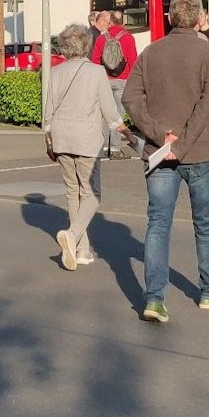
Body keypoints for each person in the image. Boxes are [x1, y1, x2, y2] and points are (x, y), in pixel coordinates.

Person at [122, 0, 209, 323]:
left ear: (169, 18)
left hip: (160, 154)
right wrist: (181, 144)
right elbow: (206, 106)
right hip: (202, 152)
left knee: (158, 225)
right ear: (199, 19)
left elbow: (130, 99)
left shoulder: (150, 53)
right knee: (206, 223)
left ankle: (154, 299)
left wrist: (159, 135)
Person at [42, 23, 124, 270]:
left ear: (64, 47)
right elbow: (110, 112)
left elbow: (48, 111)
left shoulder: (55, 73)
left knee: (72, 191)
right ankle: (73, 234)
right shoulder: (97, 72)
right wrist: (125, 132)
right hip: (87, 138)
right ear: (87, 45)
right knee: (92, 193)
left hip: (61, 136)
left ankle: (81, 250)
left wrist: (48, 139)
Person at [91, 11, 139, 152]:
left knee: (105, 114)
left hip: (105, 80)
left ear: (110, 22)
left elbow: (95, 61)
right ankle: (115, 148)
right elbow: (133, 61)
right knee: (117, 115)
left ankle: (104, 146)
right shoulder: (129, 38)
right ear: (122, 22)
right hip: (122, 80)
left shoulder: (101, 39)